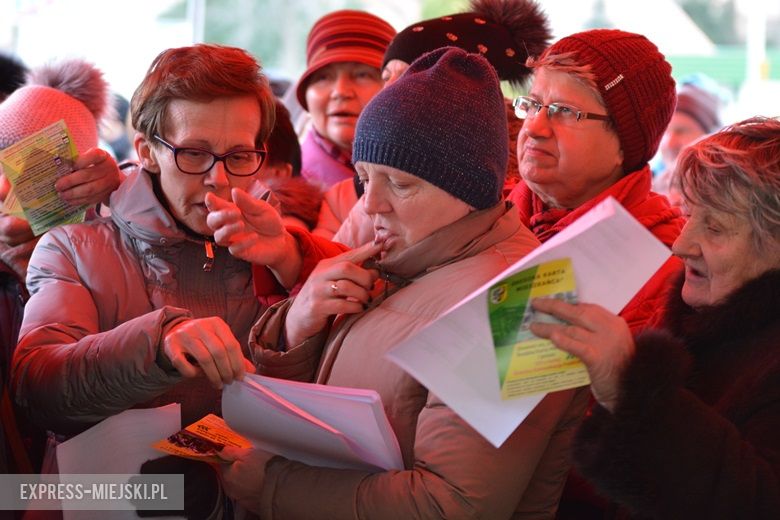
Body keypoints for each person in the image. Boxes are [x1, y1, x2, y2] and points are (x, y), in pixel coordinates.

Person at [215, 47, 589, 518]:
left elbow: (453, 505)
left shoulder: (528, 301)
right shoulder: (397, 259)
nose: (372, 205)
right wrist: (300, 326)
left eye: (400, 183)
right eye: (365, 178)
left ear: (468, 188)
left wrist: (272, 486)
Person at [10, 44, 304, 439]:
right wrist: (157, 345)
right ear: (147, 152)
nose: (218, 178)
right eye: (194, 154)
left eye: (237, 156)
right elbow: (37, 388)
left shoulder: (284, 251)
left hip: (255, 498)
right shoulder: (72, 249)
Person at [530, 116, 780, 518]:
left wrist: (632, 390)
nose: (681, 245)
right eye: (689, 214)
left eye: (714, 227)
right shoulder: (696, 317)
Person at [317, 0, 552, 243]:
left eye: (410, 75)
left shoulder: (529, 180)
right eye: (385, 76)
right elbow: (331, 263)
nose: (389, 89)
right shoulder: (356, 187)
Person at [507, 29, 685, 333]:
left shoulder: (664, 266)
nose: (535, 127)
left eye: (564, 111)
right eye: (534, 105)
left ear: (623, 145)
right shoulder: (490, 215)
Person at [296, 9, 395, 192]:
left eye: (362, 75)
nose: (340, 91)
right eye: (323, 77)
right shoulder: (288, 186)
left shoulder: (425, 175)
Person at [653, 82, 723, 206]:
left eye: (681, 131)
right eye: (664, 132)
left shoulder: (723, 199)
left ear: (709, 136)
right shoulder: (648, 187)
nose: (670, 143)